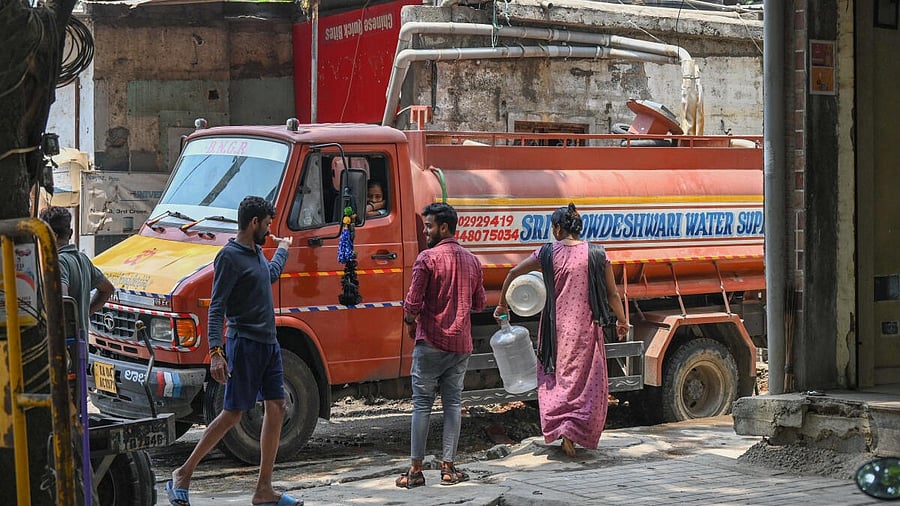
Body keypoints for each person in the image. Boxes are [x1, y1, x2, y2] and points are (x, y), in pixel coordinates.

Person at [166, 196, 300, 506]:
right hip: (244, 344)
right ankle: (183, 474)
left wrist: (282, 250)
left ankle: (264, 489)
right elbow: (217, 307)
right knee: (233, 414)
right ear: (254, 223)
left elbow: (268, 275)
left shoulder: (255, 252)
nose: (269, 229)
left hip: (268, 343)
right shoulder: (229, 257)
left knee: (277, 405)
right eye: (266, 224)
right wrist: (215, 351)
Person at [494, 203, 628, 458]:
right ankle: (576, 430)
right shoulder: (598, 254)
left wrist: (502, 303)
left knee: (556, 378)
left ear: (557, 228)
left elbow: (512, 273)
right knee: (585, 381)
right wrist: (622, 321)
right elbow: (612, 293)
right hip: (587, 328)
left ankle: (563, 428)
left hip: (555, 330)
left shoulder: (546, 253)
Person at [398, 202, 486, 488]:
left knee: (422, 404)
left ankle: (415, 471)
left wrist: (410, 320)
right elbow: (480, 303)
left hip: (431, 342)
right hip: (460, 345)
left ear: (444, 227)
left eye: (429, 226)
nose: (426, 232)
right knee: (453, 404)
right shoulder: (472, 261)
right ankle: (449, 468)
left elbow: (412, 304)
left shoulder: (427, 259)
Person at [40, 206, 115, 329]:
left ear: (52, 235)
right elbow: (108, 289)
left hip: (63, 345)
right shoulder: (83, 259)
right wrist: (83, 315)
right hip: (81, 345)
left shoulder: (58, 262)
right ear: (70, 233)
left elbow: (63, 301)